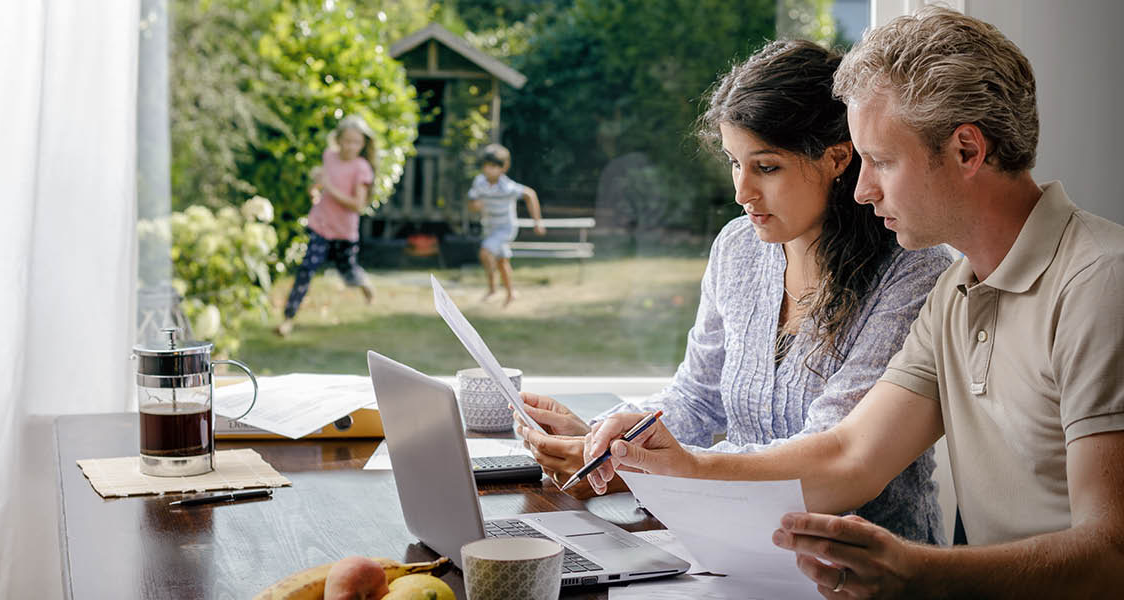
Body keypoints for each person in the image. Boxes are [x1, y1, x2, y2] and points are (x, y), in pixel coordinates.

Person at [584, 7, 1124, 597]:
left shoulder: (1101, 284)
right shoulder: (957, 294)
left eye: (882, 161)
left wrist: (919, 573)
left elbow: (1112, 554)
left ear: (968, 151)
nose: (861, 189)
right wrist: (680, 464)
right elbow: (848, 455)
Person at [515, 40, 953, 544]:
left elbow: (832, 451)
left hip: (861, 569)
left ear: (837, 158)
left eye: (766, 167)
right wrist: (606, 436)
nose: (742, 191)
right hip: (730, 542)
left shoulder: (913, 274)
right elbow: (697, 400)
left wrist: (661, 465)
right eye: (733, 162)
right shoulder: (738, 247)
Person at [276, 115, 377, 337]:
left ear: (363, 144)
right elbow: (321, 183)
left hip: (344, 232)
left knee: (348, 272)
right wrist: (315, 189)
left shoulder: (361, 168)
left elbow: (357, 204)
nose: (350, 146)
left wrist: (329, 188)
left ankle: (364, 284)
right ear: (338, 139)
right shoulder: (329, 157)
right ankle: (288, 319)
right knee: (306, 271)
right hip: (321, 225)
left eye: (356, 142)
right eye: (346, 140)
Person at [467, 144, 545, 307]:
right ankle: (510, 293)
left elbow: (530, 195)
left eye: (494, 166)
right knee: (502, 261)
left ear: (503, 168)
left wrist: (537, 222)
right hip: (489, 226)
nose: (489, 170)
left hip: (506, 228)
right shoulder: (479, 182)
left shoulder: (507, 187)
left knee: (485, 252)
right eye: (486, 166)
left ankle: (493, 289)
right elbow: (472, 203)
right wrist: (475, 205)